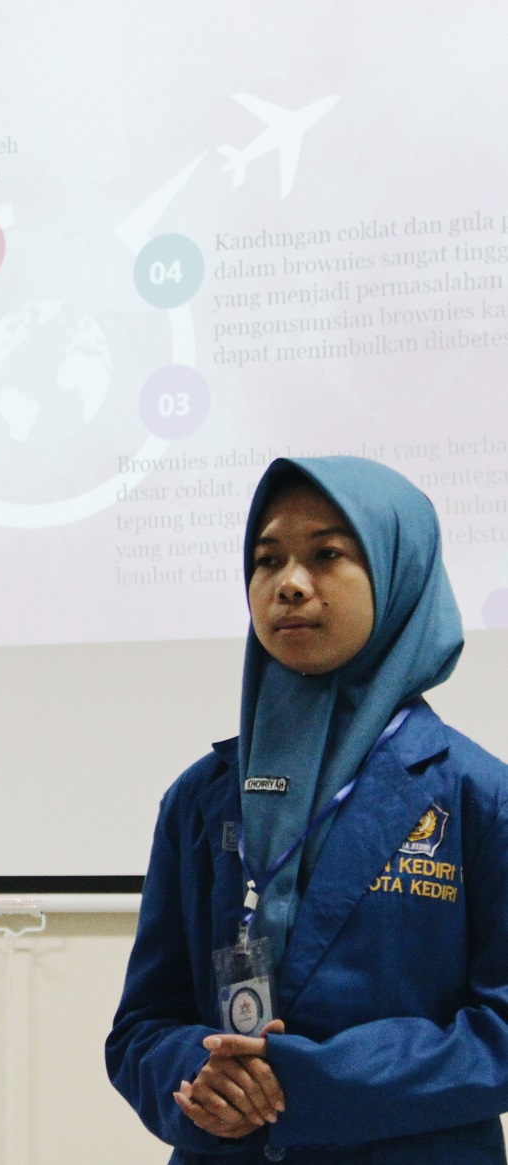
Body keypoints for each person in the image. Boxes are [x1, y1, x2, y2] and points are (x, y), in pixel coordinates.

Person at [107, 456, 508, 1162]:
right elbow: (142, 1025)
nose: (289, 583)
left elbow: (499, 1030)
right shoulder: (201, 796)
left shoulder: (479, 794)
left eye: (326, 554)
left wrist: (308, 1082)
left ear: (397, 572)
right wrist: (197, 1080)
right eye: (267, 560)